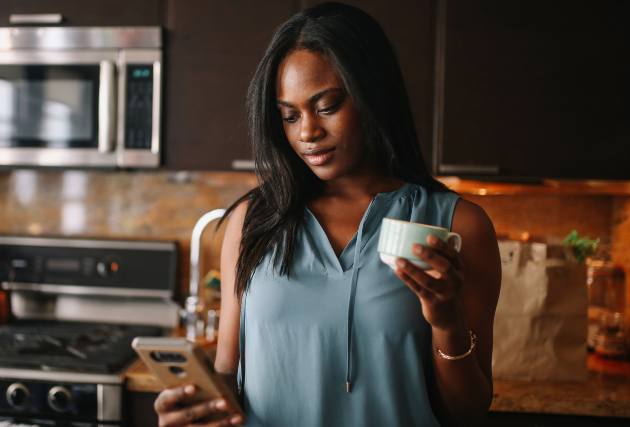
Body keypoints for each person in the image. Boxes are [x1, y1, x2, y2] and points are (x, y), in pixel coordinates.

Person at [154, 2, 501, 426]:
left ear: (373, 96)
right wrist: (196, 409)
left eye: (327, 106)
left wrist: (447, 322)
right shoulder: (252, 221)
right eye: (289, 115)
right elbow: (230, 378)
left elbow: (466, 411)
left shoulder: (457, 226)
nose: (307, 133)